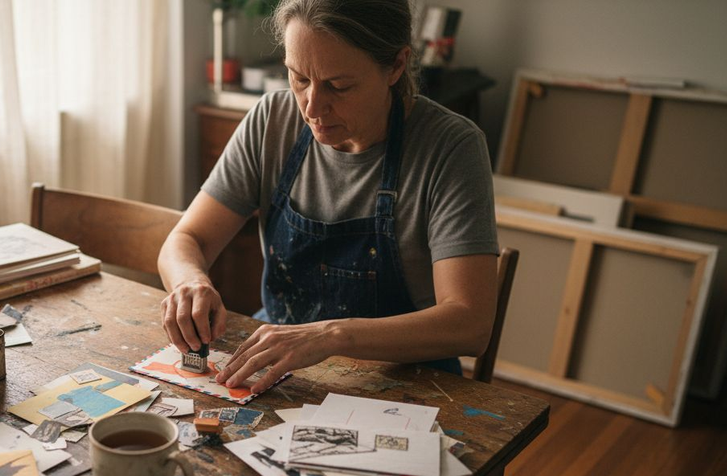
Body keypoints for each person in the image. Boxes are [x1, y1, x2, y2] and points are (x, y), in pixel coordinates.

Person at [157, 0, 499, 394]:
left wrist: (331, 335)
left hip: (408, 382)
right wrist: (190, 282)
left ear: (396, 66)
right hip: (283, 369)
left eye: (338, 86)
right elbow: (186, 240)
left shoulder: (451, 148)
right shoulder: (272, 120)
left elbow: (469, 324)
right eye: (298, 78)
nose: (313, 108)